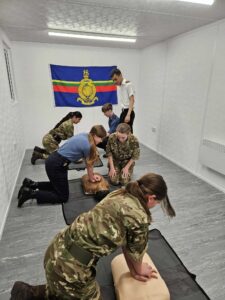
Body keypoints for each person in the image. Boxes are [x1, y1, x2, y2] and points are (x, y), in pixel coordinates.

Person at [11, 172, 176, 300]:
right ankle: (33, 293)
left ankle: (27, 292)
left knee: (65, 287)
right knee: (83, 292)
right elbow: (136, 252)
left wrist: (134, 271)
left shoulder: (121, 193)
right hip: (72, 267)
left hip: (57, 248)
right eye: (157, 203)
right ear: (151, 198)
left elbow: (128, 246)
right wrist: (139, 270)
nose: (155, 206)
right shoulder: (139, 217)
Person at [17, 125, 107, 208]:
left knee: (57, 186)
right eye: (100, 138)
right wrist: (91, 177)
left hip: (54, 160)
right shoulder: (88, 145)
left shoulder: (85, 135)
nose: (101, 141)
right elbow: (89, 165)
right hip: (57, 165)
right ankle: (30, 193)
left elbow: (75, 150)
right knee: (62, 197)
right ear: (94, 135)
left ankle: (31, 184)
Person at [110, 68, 135, 133]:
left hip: (128, 112)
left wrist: (128, 115)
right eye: (113, 80)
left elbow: (132, 100)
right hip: (124, 112)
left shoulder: (128, 84)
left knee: (127, 133)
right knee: (120, 131)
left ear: (120, 75)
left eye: (115, 79)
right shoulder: (120, 85)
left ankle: (132, 143)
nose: (115, 82)